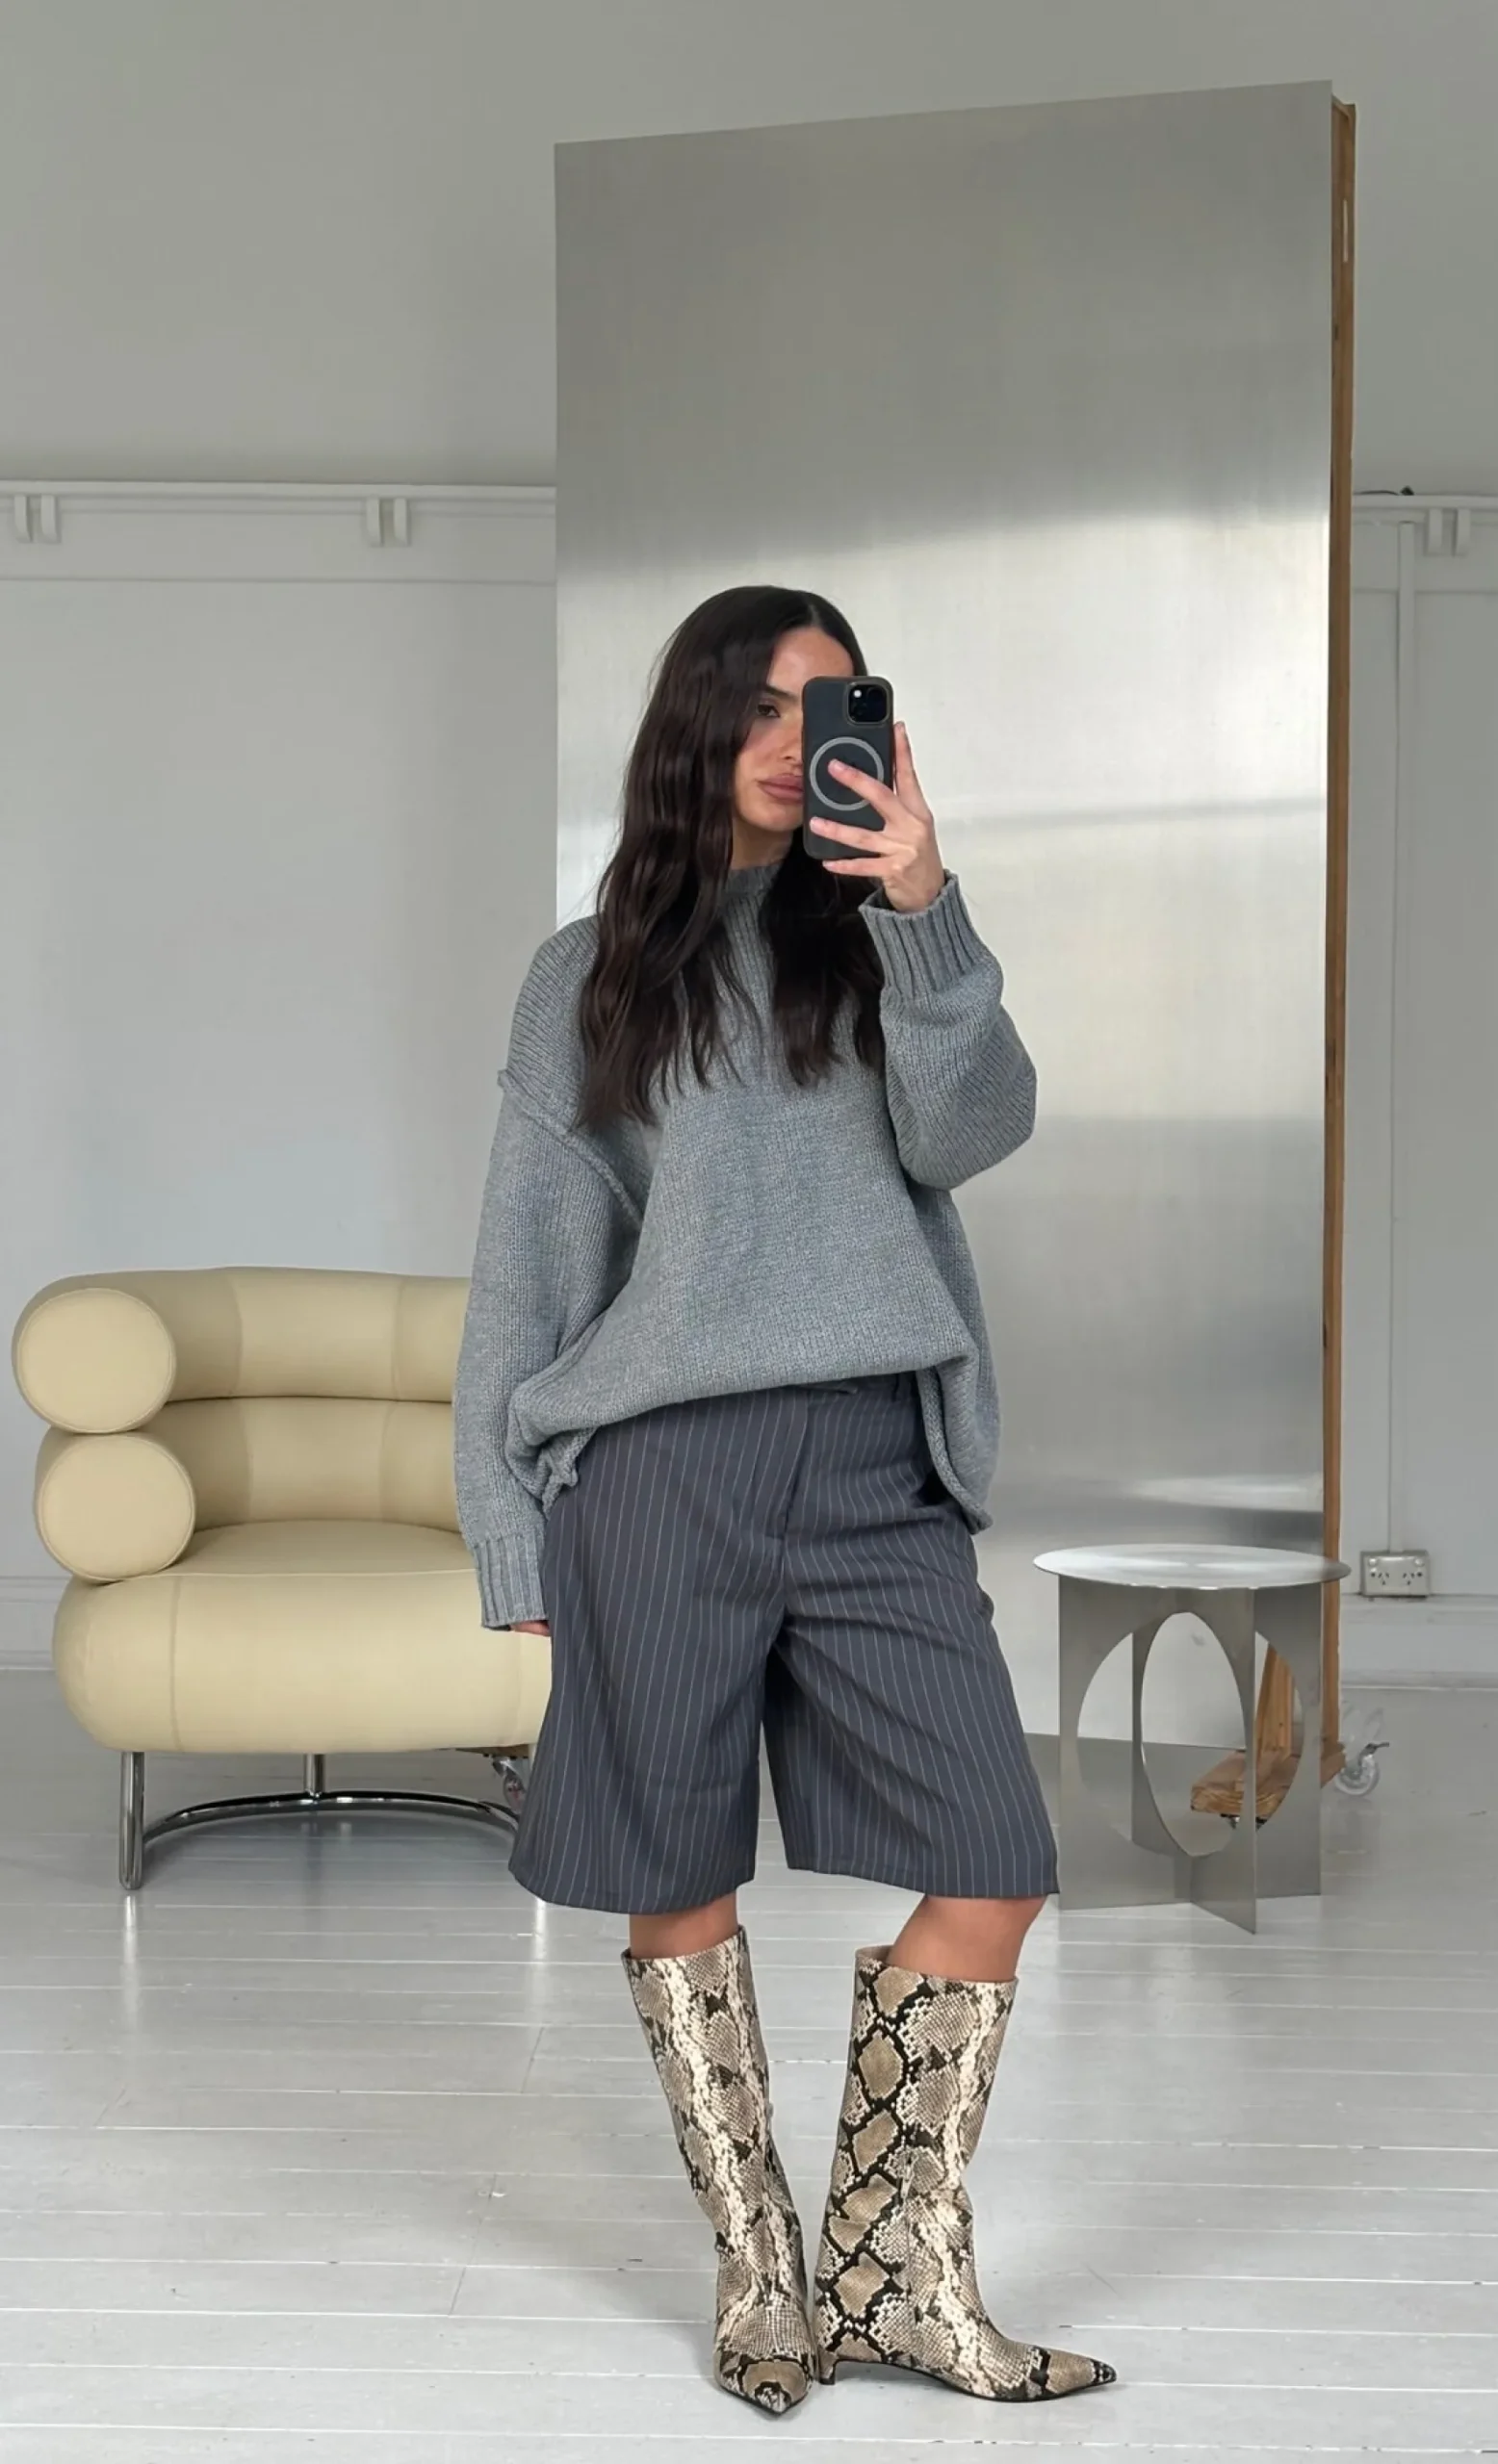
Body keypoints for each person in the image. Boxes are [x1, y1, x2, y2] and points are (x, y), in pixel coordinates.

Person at [453, 583, 1116, 2417]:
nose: (782, 741)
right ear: (692, 728)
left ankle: (896, 2275)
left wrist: (922, 903)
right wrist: (504, 1518)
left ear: (871, 739)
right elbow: (528, 1265)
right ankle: (766, 2274)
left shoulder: (891, 945)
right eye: (750, 705)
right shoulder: (588, 974)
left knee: (994, 1856)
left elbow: (974, 1130)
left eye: (821, 709)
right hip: (657, 1475)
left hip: (873, 1469)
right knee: (672, 1872)